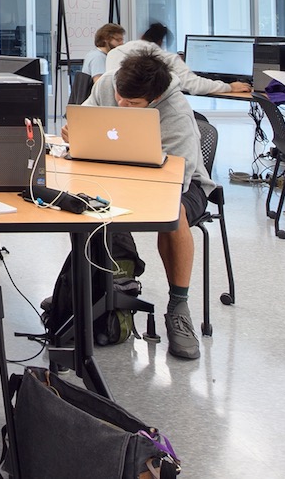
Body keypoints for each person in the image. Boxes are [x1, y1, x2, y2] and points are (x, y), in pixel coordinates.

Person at [67, 49, 212, 360]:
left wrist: (127, 183)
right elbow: (87, 119)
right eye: (120, 96)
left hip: (181, 185)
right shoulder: (109, 84)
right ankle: (93, 291)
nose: (121, 105)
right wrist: (75, 133)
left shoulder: (177, 113)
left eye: (132, 104)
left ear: (155, 98)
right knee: (82, 202)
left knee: (176, 212)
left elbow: (178, 181)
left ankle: (178, 305)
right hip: (112, 175)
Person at [105, 23, 251, 95]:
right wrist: (230, 87)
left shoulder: (113, 53)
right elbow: (195, 85)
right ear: (161, 42)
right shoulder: (166, 58)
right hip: (148, 114)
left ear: (142, 35)